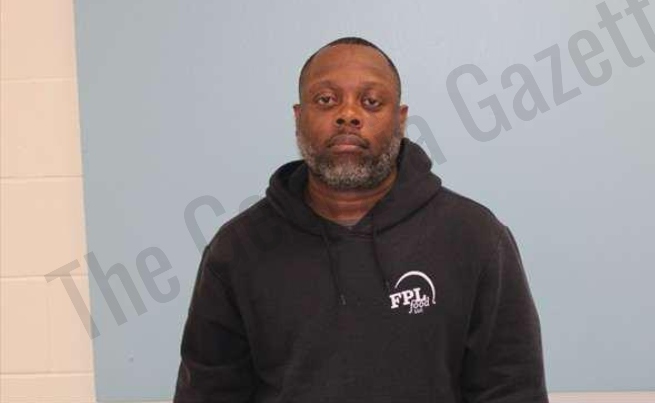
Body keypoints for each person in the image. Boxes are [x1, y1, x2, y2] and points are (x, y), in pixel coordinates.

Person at [173, 37, 549, 402]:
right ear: (299, 118)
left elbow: (512, 390)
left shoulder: (474, 238)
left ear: (400, 120)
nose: (348, 115)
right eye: (326, 100)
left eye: (371, 102)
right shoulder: (238, 250)